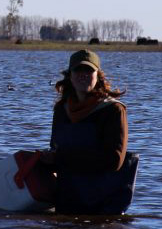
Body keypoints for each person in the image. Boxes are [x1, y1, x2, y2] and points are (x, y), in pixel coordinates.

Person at [39, 49, 137, 215]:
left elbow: (114, 160)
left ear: (98, 76)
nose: (83, 75)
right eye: (78, 70)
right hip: (68, 200)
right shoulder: (61, 110)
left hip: (104, 203)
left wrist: (61, 158)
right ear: (69, 75)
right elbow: (56, 150)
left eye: (89, 70)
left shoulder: (113, 110)